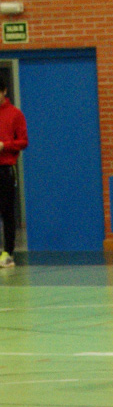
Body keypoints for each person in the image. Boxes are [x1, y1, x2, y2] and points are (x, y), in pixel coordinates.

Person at [0, 81, 27, 269]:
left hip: (6, 168)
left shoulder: (15, 114)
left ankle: (8, 253)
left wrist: (5, 145)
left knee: (7, 211)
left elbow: (23, 141)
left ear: (4, 91)